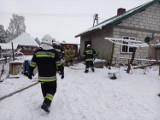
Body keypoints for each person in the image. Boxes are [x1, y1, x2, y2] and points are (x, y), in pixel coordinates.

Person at [27, 34, 64, 113]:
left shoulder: (37, 52)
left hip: (42, 78)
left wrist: (30, 72)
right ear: (50, 42)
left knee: (45, 91)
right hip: (51, 78)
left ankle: (46, 102)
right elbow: (59, 63)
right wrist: (62, 71)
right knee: (52, 90)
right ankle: (46, 103)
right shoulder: (54, 52)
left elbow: (33, 63)